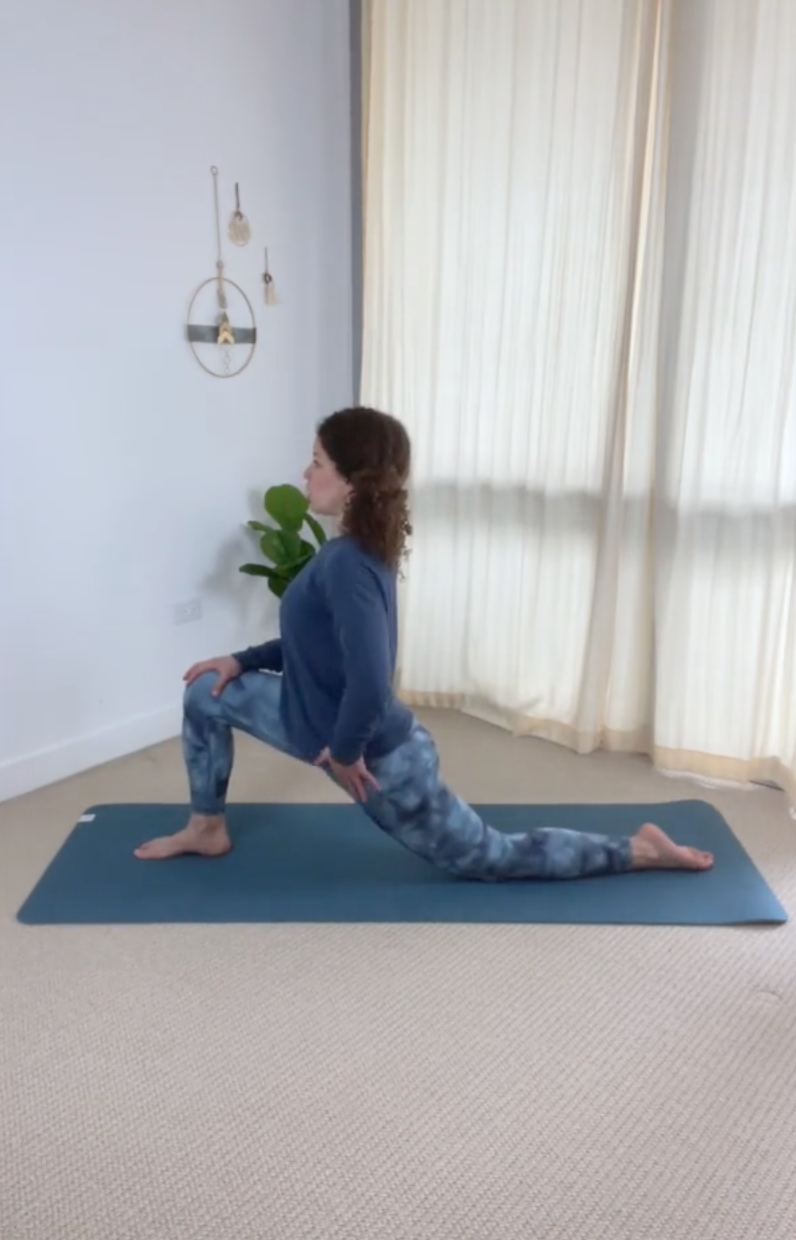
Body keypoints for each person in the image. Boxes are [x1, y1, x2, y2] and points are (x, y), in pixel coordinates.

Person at [135, 407, 714, 879]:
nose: (303, 474)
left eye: (315, 463)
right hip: (306, 719)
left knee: (490, 857)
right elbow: (312, 644)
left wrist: (343, 754)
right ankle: (207, 828)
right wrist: (240, 661)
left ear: (353, 482)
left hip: (378, 756)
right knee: (206, 693)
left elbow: (370, 677)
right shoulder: (350, 550)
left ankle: (639, 850)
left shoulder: (347, 566)